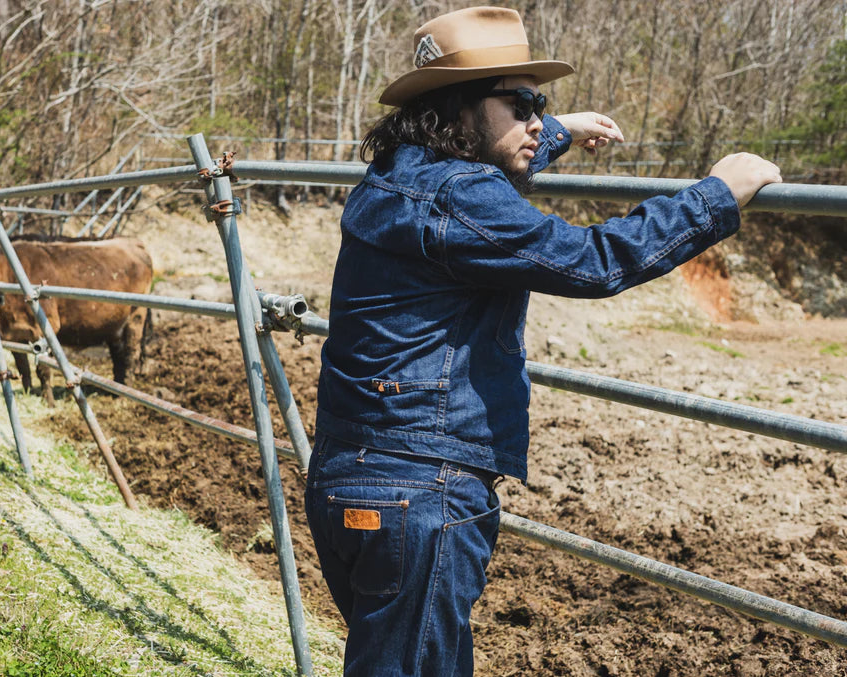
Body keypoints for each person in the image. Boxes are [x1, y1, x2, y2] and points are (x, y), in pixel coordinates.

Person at [304, 6, 782, 676]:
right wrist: (717, 194)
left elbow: (489, 148)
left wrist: (560, 129)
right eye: (522, 105)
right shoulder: (462, 196)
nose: (536, 121)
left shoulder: (395, 173)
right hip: (422, 485)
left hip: (349, 473)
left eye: (542, 105)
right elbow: (593, 260)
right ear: (458, 107)